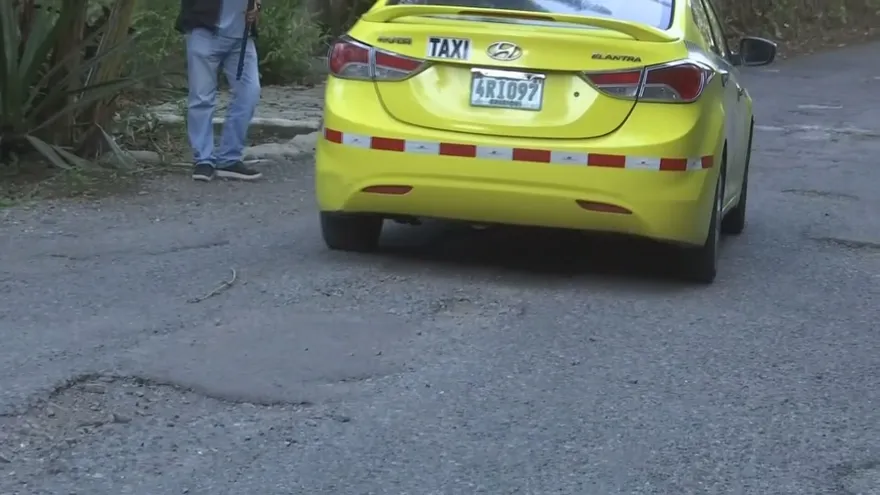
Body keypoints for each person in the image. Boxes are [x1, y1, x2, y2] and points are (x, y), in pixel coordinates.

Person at [176, 0, 263, 182]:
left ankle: (229, 159)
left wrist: (256, 6)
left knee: (249, 92)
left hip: (242, 37)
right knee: (201, 97)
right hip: (204, 32)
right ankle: (203, 160)